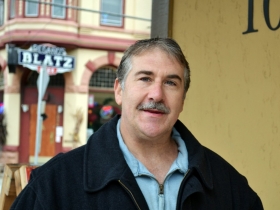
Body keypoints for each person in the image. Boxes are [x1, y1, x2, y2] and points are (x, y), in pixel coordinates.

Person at [11, 38, 263, 210]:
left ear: (183, 100)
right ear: (119, 90)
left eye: (171, 83)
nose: (156, 94)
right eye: (145, 78)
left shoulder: (230, 186)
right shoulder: (54, 185)